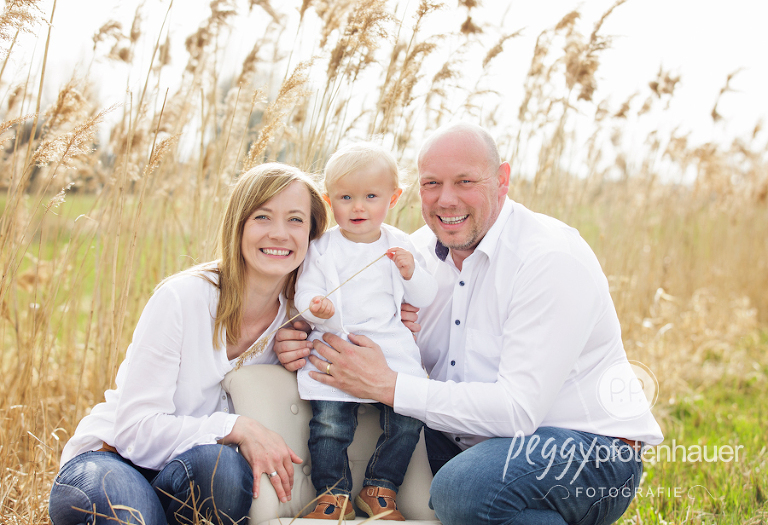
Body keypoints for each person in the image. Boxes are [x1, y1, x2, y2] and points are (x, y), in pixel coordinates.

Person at [275, 123, 664, 525]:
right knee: (466, 487)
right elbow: (357, 321)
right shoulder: (410, 257)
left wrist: (387, 385)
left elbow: (517, 412)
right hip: (467, 441)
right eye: (431, 183)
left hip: (584, 447)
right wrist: (300, 336)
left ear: (502, 180)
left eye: (465, 181)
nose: (446, 199)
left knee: (461, 488)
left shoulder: (547, 258)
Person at [49, 163, 330, 525]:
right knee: (129, 514)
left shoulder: (301, 319)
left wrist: (401, 314)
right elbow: (135, 429)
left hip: (193, 472)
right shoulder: (183, 297)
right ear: (238, 225)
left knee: (225, 472)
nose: (279, 233)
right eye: (263, 217)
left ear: (312, 234)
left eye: (295, 220)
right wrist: (235, 426)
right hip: (114, 458)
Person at [295, 143, 437, 520]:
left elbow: (424, 295)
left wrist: (411, 273)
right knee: (329, 424)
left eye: (371, 197)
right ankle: (332, 494)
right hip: (335, 342)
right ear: (329, 200)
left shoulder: (399, 245)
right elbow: (304, 291)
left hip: (389, 344)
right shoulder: (322, 248)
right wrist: (316, 306)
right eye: (345, 197)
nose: (358, 207)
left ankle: (380, 487)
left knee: (409, 418)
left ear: (393, 197)